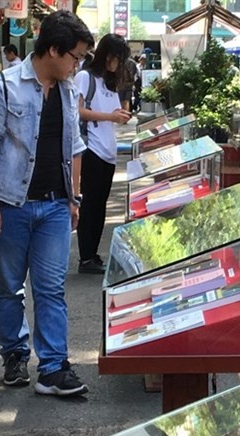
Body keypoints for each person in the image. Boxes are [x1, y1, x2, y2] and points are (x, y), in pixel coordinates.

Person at [0, 10, 94, 396]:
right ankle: (14, 353)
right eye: (75, 56)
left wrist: (74, 197)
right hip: (10, 204)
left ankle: (54, 367)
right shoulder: (3, 87)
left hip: (56, 206)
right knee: (9, 287)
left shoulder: (69, 89)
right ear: (54, 50)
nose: (77, 65)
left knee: (51, 288)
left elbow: (75, 146)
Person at [75, 34, 132, 275]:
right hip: (92, 150)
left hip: (108, 152)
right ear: (108, 56)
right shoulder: (85, 77)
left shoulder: (109, 84)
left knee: (100, 206)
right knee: (90, 205)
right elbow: (77, 111)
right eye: (118, 59)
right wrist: (110, 116)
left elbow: (110, 114)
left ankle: (93, 254)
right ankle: (86, 257)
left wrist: (119, 115)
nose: (119, 65)